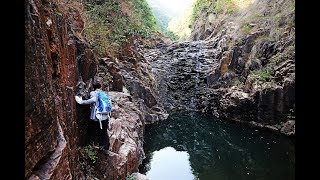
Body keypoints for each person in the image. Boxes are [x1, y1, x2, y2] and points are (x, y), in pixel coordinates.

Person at [75, 82, 110, 154]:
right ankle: (104, 147)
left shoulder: (94, 93)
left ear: (94, 87)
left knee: (91, 130)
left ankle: (89, 145)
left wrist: (81, 102)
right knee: (103, 132)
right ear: (100, 87)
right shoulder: (104, 94)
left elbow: (93, 100)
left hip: (96, 117)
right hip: (105, 116)